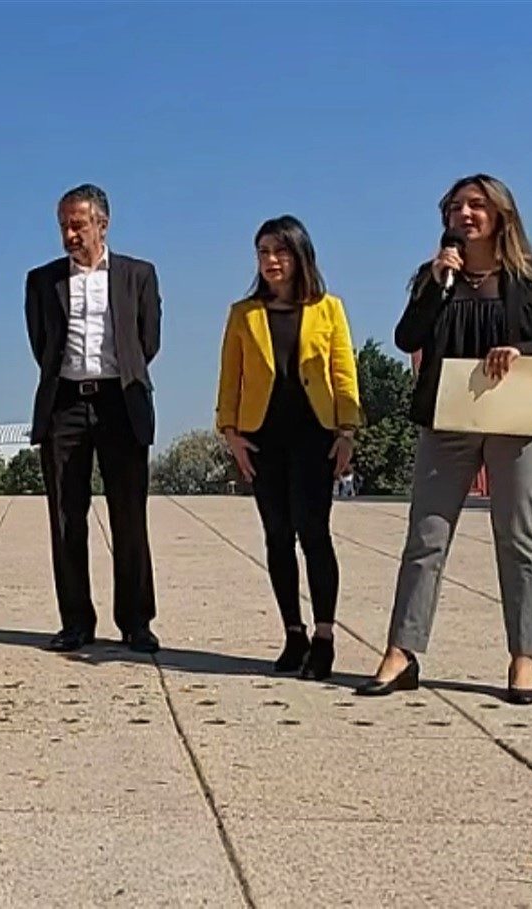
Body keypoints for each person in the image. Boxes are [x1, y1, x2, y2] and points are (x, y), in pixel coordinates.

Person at [360, 174, 532, 704]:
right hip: (449, 417)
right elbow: (406, 338)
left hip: (518, 421)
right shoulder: (435, 276)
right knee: (426, 536)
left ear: (500, 214)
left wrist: (525, 350)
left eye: (476, 205)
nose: (465, 214)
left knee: (517, 535)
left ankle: (523, 657)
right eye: (456, 206)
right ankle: (401, 652)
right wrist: (436, 284)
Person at [215, 216, 360, 681]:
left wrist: (347, 431)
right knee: (277, 535)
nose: (271, 261)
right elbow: (229, 376)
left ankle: (324, 636)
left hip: (314, 434)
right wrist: (230, 432)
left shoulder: (328, 308)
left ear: (300, 256)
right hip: (262, 437)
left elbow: (343, 372)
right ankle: (292, 632)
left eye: (280, 252)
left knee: (313, 532)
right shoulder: (244, 313)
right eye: (263, 252)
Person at [24, 183, 162, 654]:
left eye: (78, 224)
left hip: (120, 402)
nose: (69, 234)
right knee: (66, 517)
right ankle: (76, 622)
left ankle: (136, 622)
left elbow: (148, 342)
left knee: (129, 515)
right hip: (64, 404)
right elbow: (41, 343)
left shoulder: (137, 275)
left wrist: (117, 374)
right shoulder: (42, 281)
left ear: (102, 224)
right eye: (63, 224)